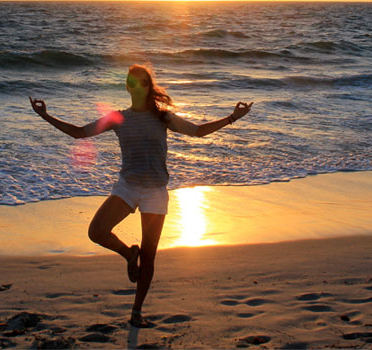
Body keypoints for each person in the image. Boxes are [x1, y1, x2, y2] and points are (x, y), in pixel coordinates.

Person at [29, 64, 252, 327]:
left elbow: (198, 131)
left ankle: (136, 312)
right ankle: (127, 253)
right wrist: (45, 116)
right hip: (127, 186)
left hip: (155, 191)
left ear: (148, 87)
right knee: (97, 231)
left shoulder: (164, 117)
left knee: (149, 256)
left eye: (142, 82)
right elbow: (80, 132)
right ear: (127, 87)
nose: (136, 87)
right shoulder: (117, 118)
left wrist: (232, 118)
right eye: (131, 82)